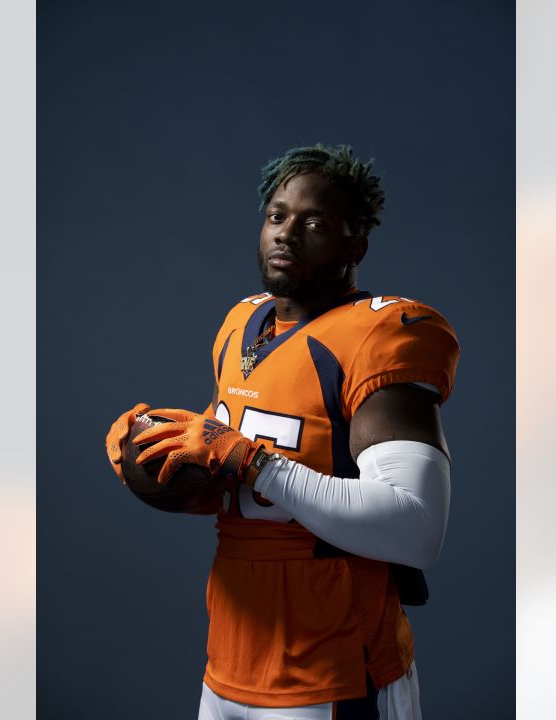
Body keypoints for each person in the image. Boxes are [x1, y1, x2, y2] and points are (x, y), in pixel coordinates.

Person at [104, 144, 459, 720]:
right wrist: (155, 454)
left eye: (314, 222)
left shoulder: (378, 335)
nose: (287, 234)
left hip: (334, 666)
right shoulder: (243, 323)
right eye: (277, 216)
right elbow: (234, 484)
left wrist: (253, 461)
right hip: (231, 657)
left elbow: (414, 526)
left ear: (355, 245)